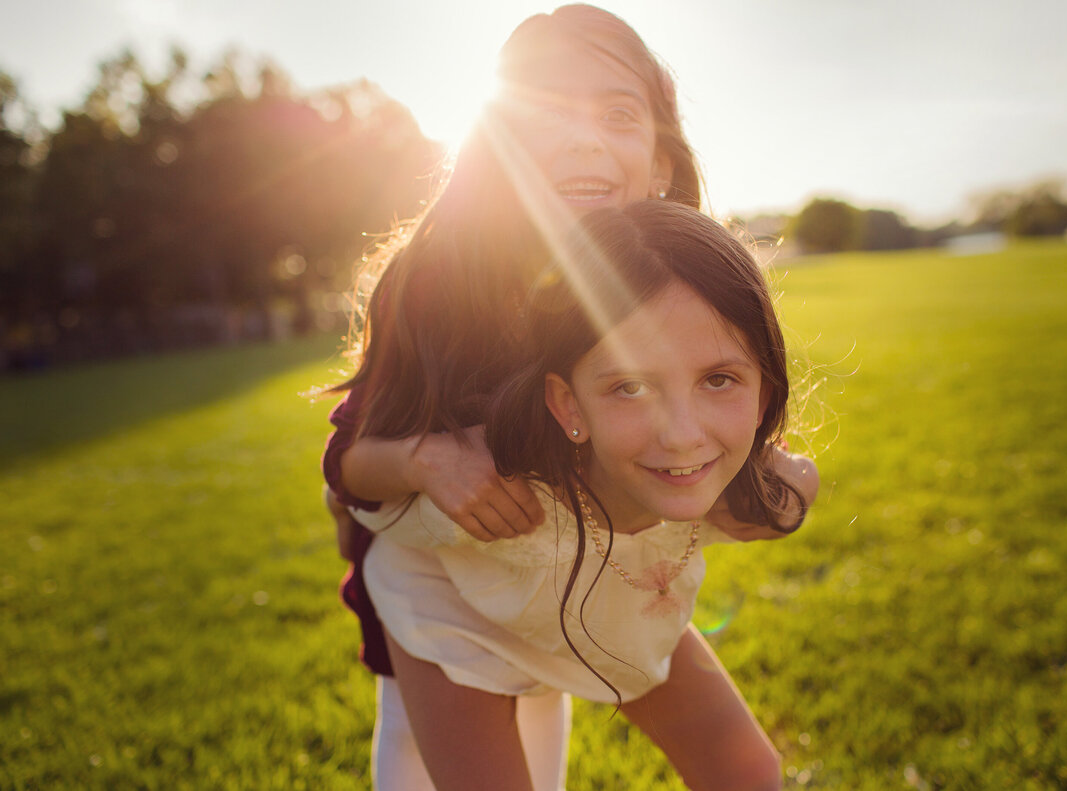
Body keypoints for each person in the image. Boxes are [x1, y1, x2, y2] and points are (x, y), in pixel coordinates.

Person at [321, 5, 812, 788]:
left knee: (744, 767)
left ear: (658, 162)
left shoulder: (675, 272)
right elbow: (350, 464)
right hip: (447, 583)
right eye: (545, 111)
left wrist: (764, 473)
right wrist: (427, 458)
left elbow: (711, 407)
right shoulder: (441, 280)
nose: (584, 136)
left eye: (619, 113)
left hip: (592, 577)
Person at [352, 200, 817, 791]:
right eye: (629, 386)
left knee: (748, 771)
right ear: (568, 405)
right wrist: (417, 463)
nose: (681, 436)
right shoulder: (495, 481)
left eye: (718, 379)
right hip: (454, 603)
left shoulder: (728, 483)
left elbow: (793, 482)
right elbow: (358, 484)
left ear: (763, 387)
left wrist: (795, 490)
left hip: (604, 609)